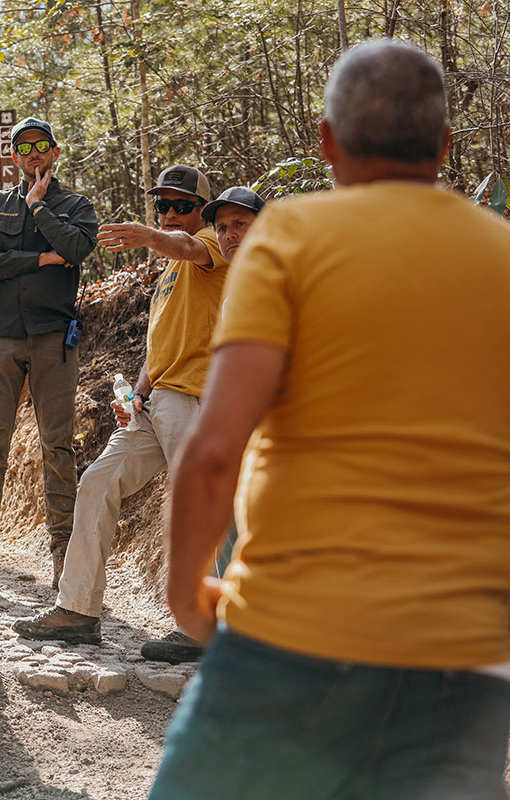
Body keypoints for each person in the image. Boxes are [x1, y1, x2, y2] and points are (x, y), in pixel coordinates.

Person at [149, 40, 510, 799]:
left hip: (292, 637)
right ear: (445, 146)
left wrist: (188, 601)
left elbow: (214, 451)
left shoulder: (289, 238)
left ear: (326, 141)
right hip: (466, 664)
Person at [14, 165, 235, 660]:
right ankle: (77, 610)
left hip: (193, 399)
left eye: (183, 205)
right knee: (96, 483)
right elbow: (161, 347)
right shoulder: (168, 274)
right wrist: (137, 394)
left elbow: (187, 247)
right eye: (164, 206)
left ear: (203, 210)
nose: (172, 213)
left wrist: (150, 235)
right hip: (155, 402)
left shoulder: (213, 246)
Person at [0, 117, 97, 596]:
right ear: (13, 156)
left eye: (40, 146)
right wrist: (40, 259)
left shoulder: (76, 205)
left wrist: (38, 209)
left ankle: (63, 556)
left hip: (54, 338)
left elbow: (77, 246)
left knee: (58, 445)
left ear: (54, 151)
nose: (32, 154)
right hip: (1, 339)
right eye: (22, 147)